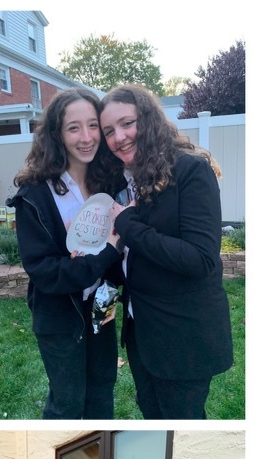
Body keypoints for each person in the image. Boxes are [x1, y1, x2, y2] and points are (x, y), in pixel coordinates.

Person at [100, 84, 231, 419]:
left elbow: (200, 259)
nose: (118, 137)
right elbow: (136, 259)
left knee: (182, 432)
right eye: (109, 131)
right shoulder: (127, 180)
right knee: (153, 418)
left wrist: (128, 225)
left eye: (126, 123)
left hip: (182, 337)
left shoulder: (190, 171)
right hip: (141, 333)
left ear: (148, 119)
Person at [6, 90, 124, 419]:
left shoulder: (110, 182)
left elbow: (120, 245)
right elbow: (46, 272)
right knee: (67, 405)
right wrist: (105, 256)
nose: (86, 138)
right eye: (74, 128)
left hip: (102, 307)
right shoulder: (34, 196)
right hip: (60, 316)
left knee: (102, 395)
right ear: (57, 133)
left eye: (92, 126)